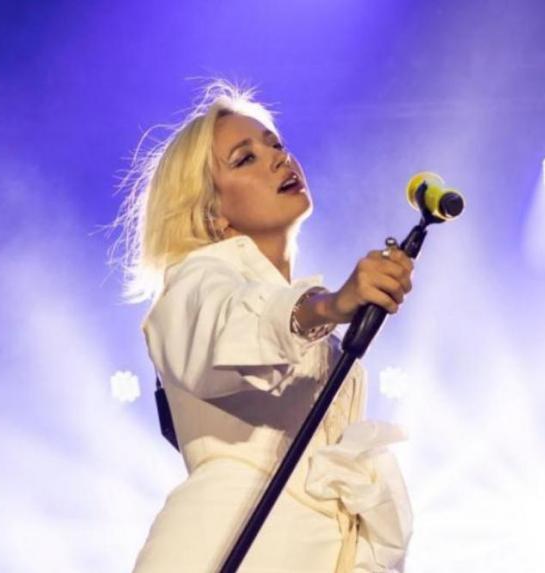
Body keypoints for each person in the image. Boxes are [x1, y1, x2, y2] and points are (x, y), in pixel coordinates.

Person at [112, 79, 415, 573]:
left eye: (276, 144)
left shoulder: (315, 339)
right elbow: (226, 328)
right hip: (220, 547)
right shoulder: (194, 285)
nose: (278, 158)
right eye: (245, 158)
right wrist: (329, 306)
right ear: (212, 213)